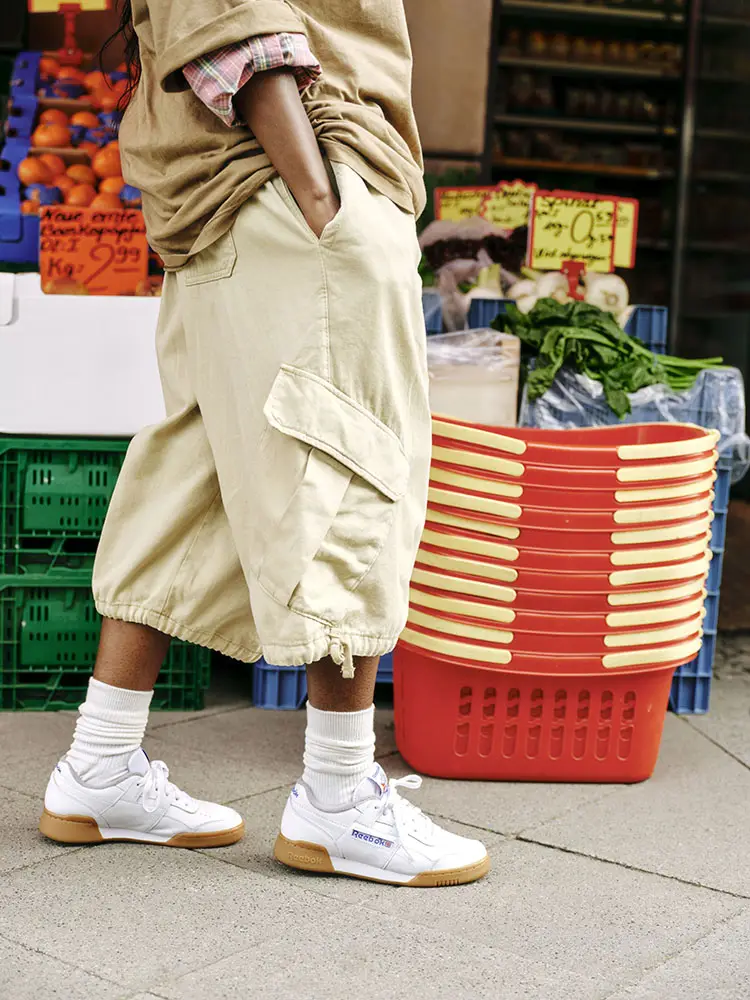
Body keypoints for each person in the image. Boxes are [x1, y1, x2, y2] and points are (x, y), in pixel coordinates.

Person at [38, 0, 489, 888]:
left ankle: (101, 765)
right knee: (350, 468)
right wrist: (325, 202)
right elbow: (235, 24)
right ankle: (338, 796)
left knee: (197, 474)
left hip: (230, 201)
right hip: (292, 191)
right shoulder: (310, 194)